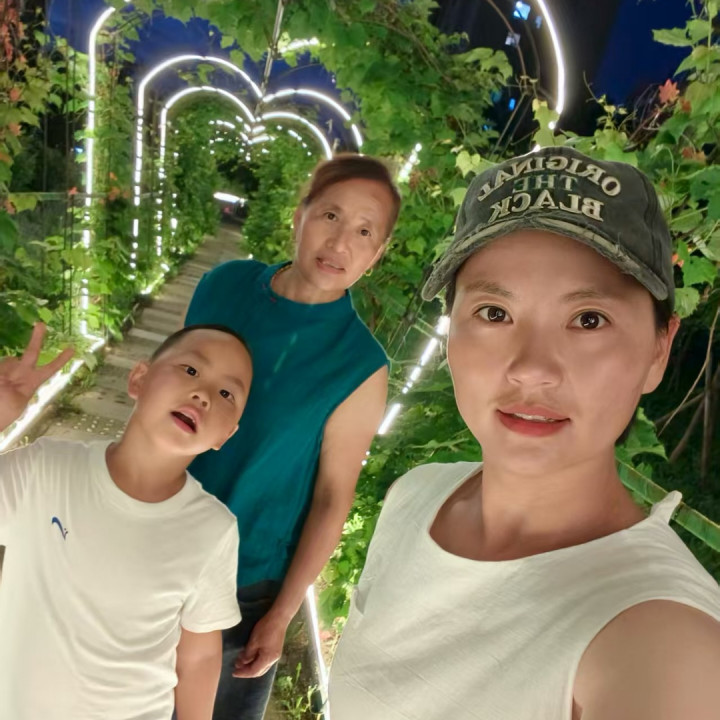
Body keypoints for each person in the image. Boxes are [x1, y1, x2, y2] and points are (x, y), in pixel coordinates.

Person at [328, 147, 720, 719]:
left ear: (659, 351)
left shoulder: (666, 641)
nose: (532, 368)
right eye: (494, 313)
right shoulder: (415, 495)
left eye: (589, 320)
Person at [183, 153, 401, 719]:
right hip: (156, 536)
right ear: (299, 215)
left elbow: (332, 498)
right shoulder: (224, 286)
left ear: (377, 254)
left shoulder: (359, 366)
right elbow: (170, 395)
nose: (340, 242)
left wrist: (280, 614)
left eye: (364, 232)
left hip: (243, 581)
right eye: (330, 215)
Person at [0, 322, 254, 720]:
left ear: (227, 434)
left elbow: (200, 656)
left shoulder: (212, 529)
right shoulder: (45, 469)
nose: (203, 395)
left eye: (226, 394)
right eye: (190, 369)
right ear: (139, 378)